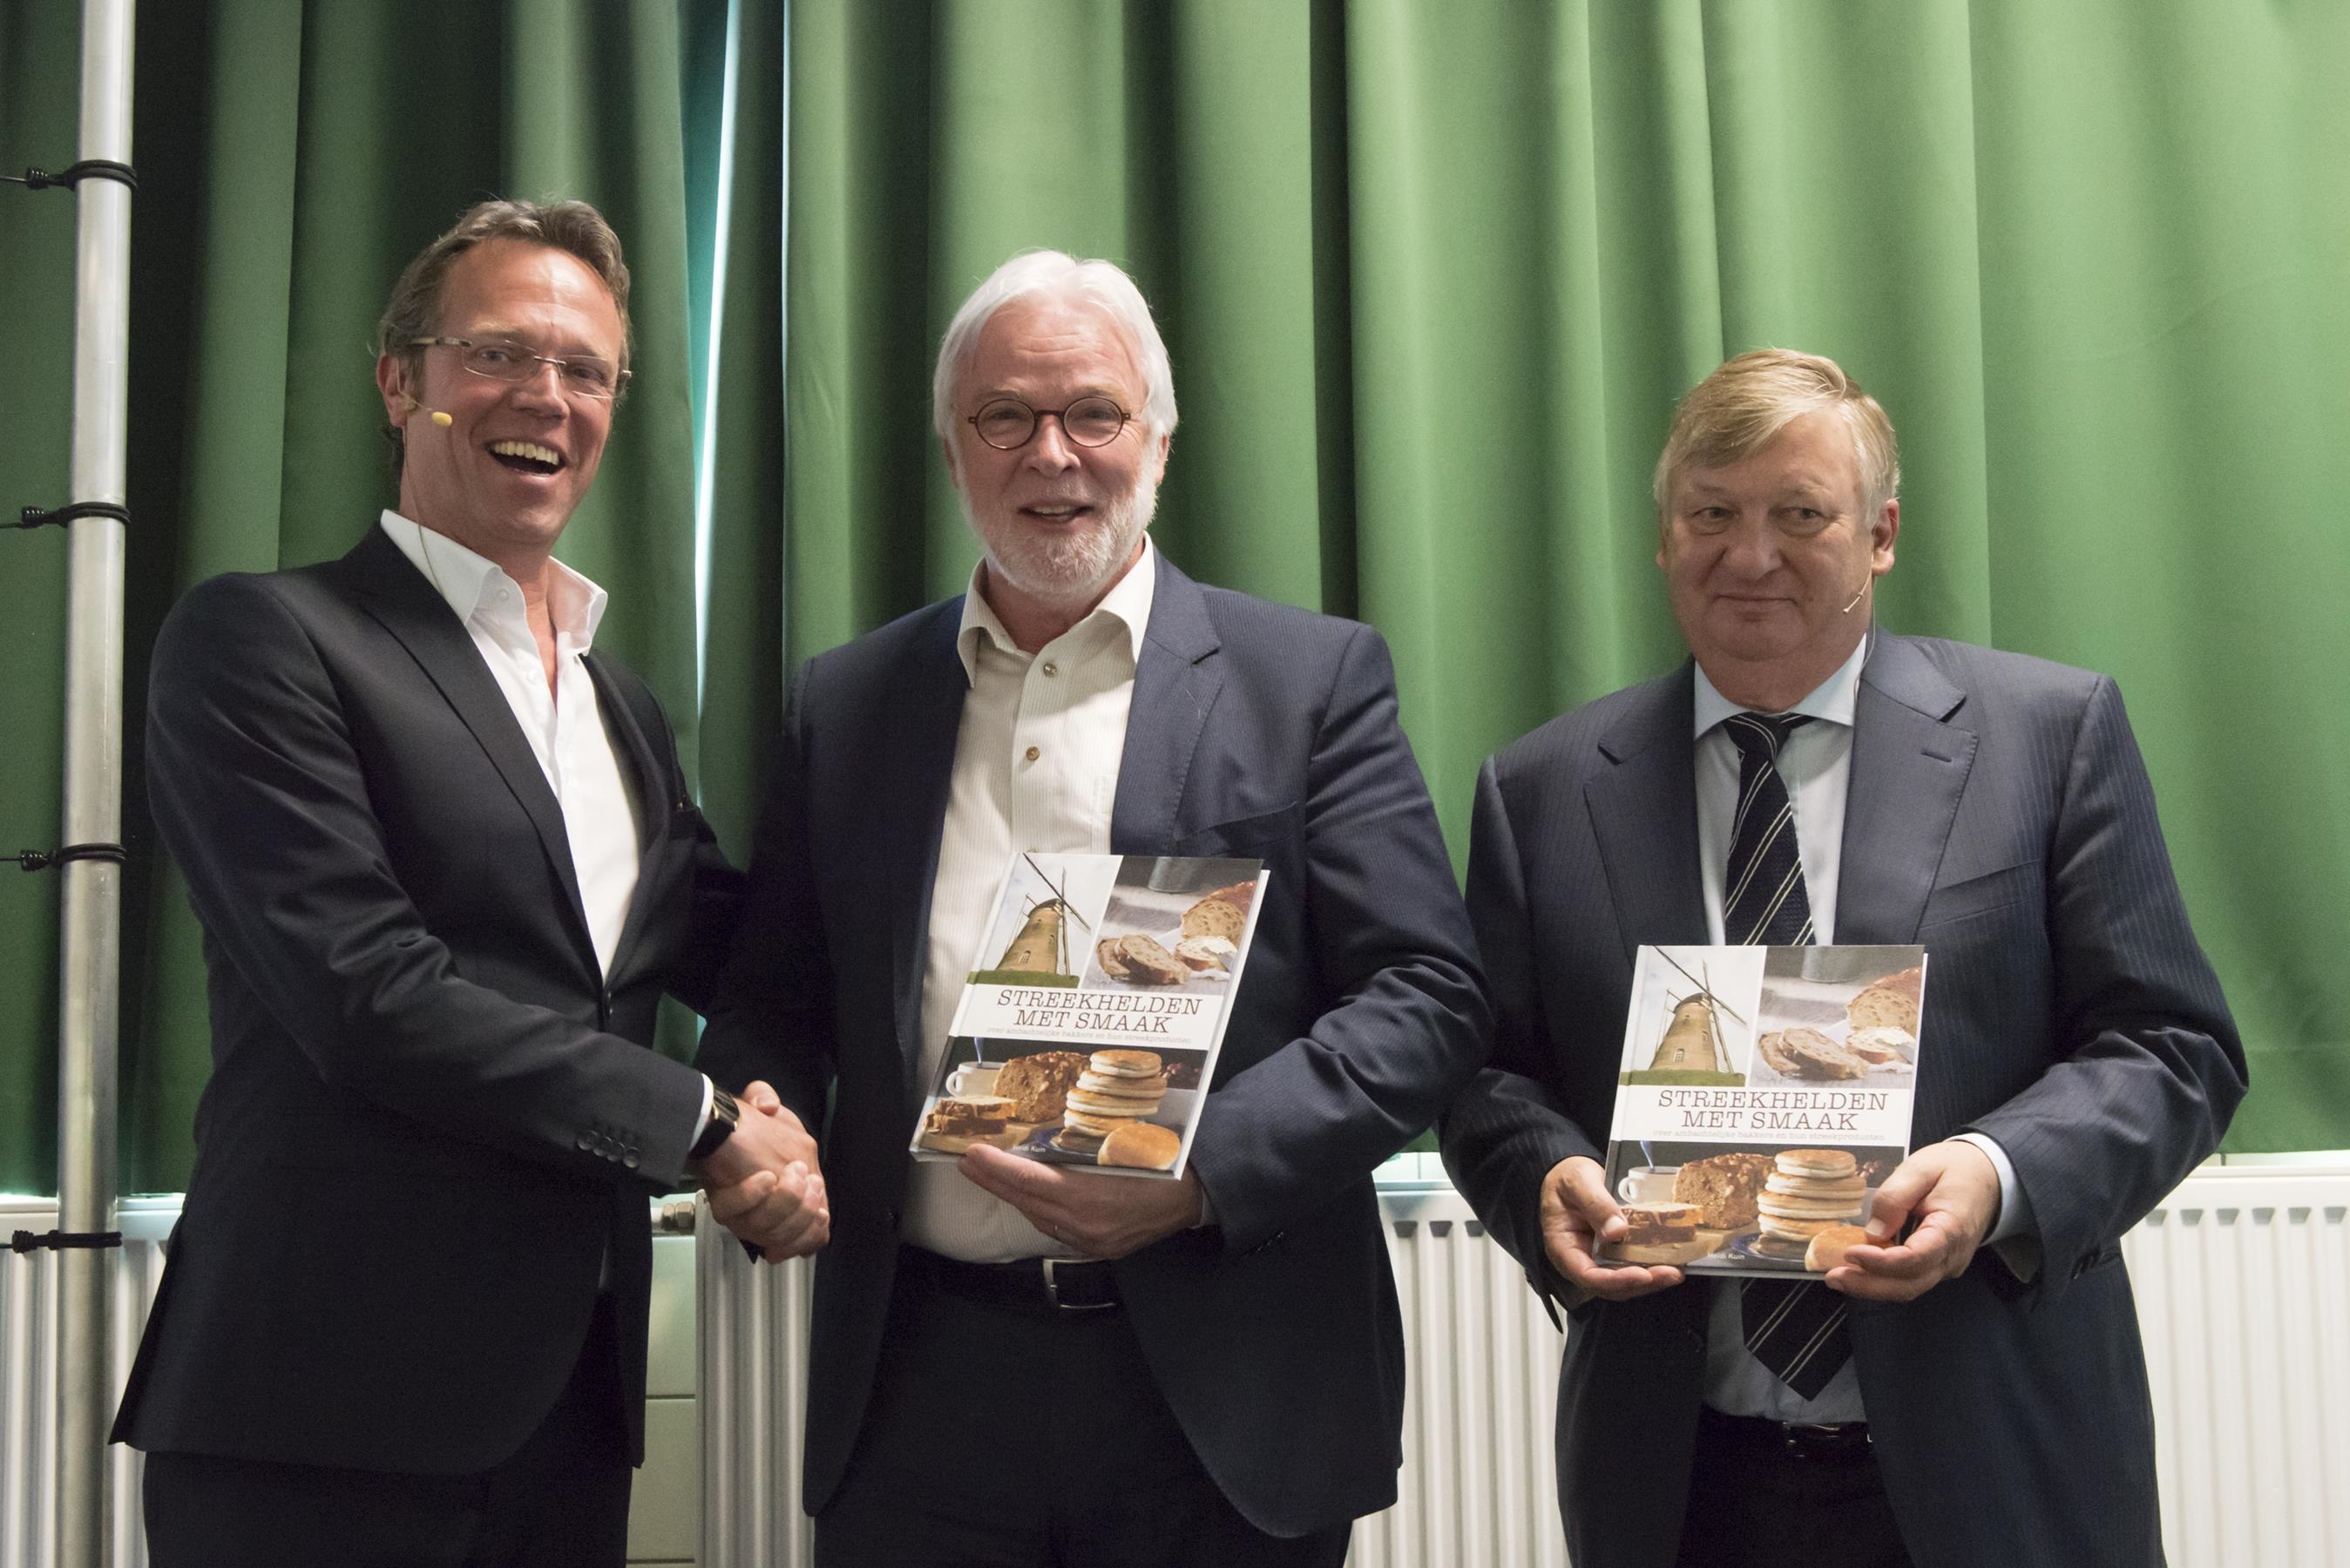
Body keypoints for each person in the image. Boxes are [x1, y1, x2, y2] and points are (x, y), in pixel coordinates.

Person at [697, 249, 1488, 1566]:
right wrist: (760, 1118)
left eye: (1093, 415)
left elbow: (1425, 993)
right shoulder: (847, 703)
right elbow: (771, 998)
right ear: (953, 451)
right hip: (918, 1387)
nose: (1050, 454)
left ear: (1159, 444)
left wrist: (1198, 1179)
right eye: (1003, 416)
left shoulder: (1308, 681)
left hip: (1220, 1381)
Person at [1438, 348, 2245, 1568]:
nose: (1748, 555)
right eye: (1710, 513)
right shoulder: (1542, 790)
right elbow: (1483, 1070)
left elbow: (2173, 1048)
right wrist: (1538, 1173)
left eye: (1798, 515)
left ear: (1879, 534)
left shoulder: (2044, 736)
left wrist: (1994, 1173)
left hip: (1992, 1456)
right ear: (1662, 538)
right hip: (1677, 1474)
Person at [113, 199, 826, 1568]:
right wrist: (708, 1124)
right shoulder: (266, 639)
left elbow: (727, 949)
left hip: (565, 1411)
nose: (543, 398)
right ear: (403, 382)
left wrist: (1029, 1004)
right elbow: (366, 991)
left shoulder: (618, 702)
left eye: (584, 371)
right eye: (497, 353)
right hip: (317, 1412)